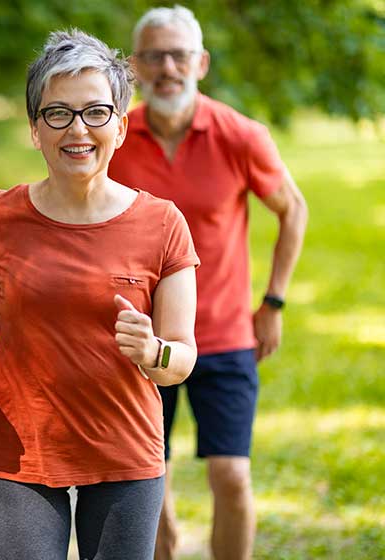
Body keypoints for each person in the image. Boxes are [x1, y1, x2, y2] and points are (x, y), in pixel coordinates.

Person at [0, 29, 200, 560]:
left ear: (121, 126)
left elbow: (182, 354)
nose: (78, 129)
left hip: (125, 451)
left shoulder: (163, 224)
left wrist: (152, 351)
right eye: (58, 113)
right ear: (35, 130)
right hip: (19, 449)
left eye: (95, 112)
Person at [108, 6, 308, 560]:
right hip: (143, 340)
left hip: (224, 333)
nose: (166, 67)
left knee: (232, 476)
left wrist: (272, 301)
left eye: (178, 55)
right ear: (134, 66)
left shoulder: (240, 135)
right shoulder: (115, 137)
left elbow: (293, 210)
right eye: (152, 56)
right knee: (150, 481)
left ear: (201, 63)